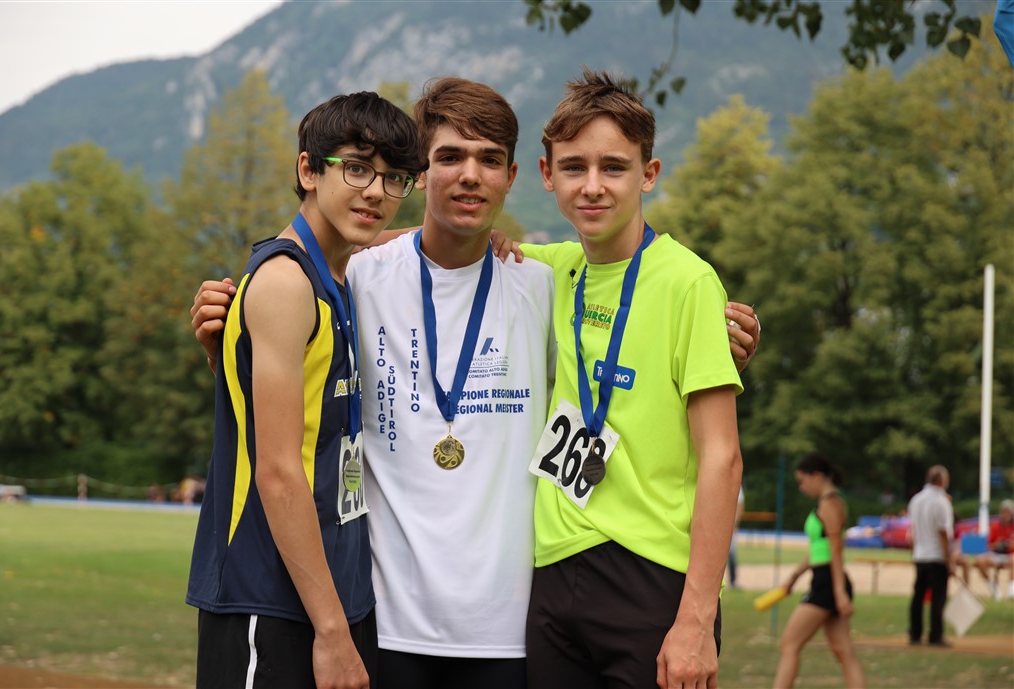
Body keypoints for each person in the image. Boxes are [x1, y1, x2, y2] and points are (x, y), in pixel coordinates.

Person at [192, 77, 761, 689]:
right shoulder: (357, 275)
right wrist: (231, 330)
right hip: (384, 623)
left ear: (514, 176)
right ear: (422, 173)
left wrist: (717, 342)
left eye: (489, 159)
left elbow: (632, 322)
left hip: (514, 632)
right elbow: (302, 358)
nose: (469, 175)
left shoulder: (542, 279)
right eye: (449, 157)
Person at [509, 69, 744, 689]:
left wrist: (697, 618)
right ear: (546, 174)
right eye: (574, 167)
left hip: (652, 579)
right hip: (553, 571)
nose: (592, 186)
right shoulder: (551, 269)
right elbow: (433, 244)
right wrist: (302, 258)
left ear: (649, 173)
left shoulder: (689, 282)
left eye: (613, 167)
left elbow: (722, 458)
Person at [185, 91, 425, 689]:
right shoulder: (286, 283)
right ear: (308, 170)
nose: (376, 192)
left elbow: (398, 238)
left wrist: (478, 237)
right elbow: (277, 471)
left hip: (331, 594)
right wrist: (333, 631)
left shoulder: (337, 274)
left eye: (394, 178)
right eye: (357, 168)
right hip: (269, 598)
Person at [772, 453, 865, 689]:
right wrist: (794, 577)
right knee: (843, 651)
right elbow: (818, 550)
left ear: (817, 476)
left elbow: (836, 549)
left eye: (802, 481)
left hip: (828, 583)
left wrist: (839, 592)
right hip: (827, 579)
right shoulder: (826, 503)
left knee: (789, 644)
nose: (801, 487)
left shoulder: (830, 503)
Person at [907, 464, 955, 647]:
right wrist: (949, 559)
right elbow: (943, 533)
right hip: (936, 555)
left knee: (918, 596)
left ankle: (915, 633)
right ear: (942, 481)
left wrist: (914, 552)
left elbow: (913, 530)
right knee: (938, 597)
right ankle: (935, 635)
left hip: (920, 554)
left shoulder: (916, 500)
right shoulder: (942, 502)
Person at [962, 499, 1014, 599]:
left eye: (1008, 512)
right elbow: (988, 546)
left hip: (1010, 555)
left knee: (1013, 559)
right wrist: (997, 544)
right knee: (980, 560)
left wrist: (1010, 545)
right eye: (1004, 512)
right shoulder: (995, 526)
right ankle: (993, 586)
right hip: (996, 554)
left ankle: (1012, 589)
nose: (1006, 514)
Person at [727, 485, 746, 589]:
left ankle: (733, 581)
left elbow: (740, 504)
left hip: (730, 525)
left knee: (732, 553)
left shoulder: (737, 485)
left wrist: (735, 522)